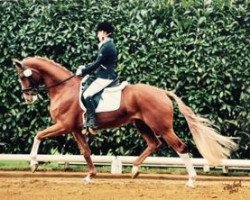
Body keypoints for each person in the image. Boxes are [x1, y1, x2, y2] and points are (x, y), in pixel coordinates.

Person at [76, 21, 118, 128]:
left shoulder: (107, 47)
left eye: (98, 32)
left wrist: (83, 71)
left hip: (105, 76)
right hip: (103, 74)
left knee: (87, 94)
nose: (97, 35)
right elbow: (98, 62)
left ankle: (92, 120)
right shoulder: (106, 45)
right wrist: (84, 66)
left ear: (104, 33)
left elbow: (97, 63)